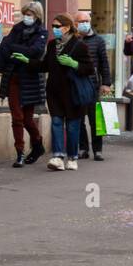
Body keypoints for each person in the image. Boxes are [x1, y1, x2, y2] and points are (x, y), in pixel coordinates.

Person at [40, 13, 96, 171]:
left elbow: (89, 68)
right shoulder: (52, 45)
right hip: (55, 92)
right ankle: (58, 156)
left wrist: (74, 64)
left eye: (57, 26)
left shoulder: (80, 46)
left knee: (72, 126)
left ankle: (72, 157)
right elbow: (45, 66)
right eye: (53, 26)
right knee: (56, 122)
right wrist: (27, 62)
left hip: (73, 92)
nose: (54, 29)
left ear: (67, 27)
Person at [0, 1, 48, 167]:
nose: (27, 17)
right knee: (17, 117)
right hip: (13, 78)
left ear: (37, 15)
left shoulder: (42, 32)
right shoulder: (17, 28)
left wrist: (14, 48)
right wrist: (15, 49)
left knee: (27, 119)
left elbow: (36, 51)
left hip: (31, 80)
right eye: (25, 13)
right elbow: (4, 47)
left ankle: (38, 144)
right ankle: (19, 152)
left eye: (30, 14)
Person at [75, 9, 112, 162]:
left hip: (92, 85)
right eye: (80, 22)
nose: (84, 24)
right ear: (75, 24)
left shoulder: (98, 41)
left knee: (95, 119)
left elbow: (104, 63)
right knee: (78, 119)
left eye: (86, 21)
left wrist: (106, 83)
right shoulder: (74, 40)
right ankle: (83, 148)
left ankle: (97, 150)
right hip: (76, 84)